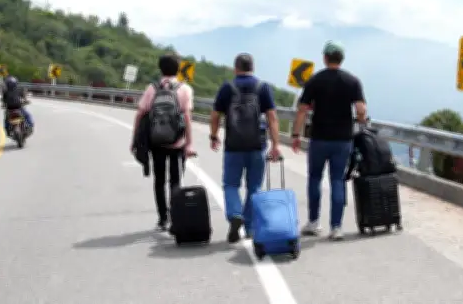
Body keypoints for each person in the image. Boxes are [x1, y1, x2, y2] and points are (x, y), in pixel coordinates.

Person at [291, 41, 367, 240]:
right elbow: (361, 110)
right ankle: (336, 227)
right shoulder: (353, 81)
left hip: (319, 138)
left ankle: (313, 222)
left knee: (314, 179)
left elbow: (302, 110)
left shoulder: (315, 80)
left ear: (325, 58)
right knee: (337, 180)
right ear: (342, 59)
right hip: (343, 140)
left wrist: (296, 135)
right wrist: (360, 122)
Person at [210, 53, 281, 243]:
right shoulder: (262, 87)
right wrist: (275, 145)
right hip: (257, 145)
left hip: (233, 145)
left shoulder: (227, 87)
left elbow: (215, 115)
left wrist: (214, 136)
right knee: (254, 187)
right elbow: (272, 118)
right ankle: (249, 227)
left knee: (230, 184)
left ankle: (235, 214)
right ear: (253, 67)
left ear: (236, 68)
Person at [132, 53, 196, 232]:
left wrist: (135, 140)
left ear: (160, 69)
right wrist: (189, 144)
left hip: (156, 142)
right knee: (175, 181)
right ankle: (175, 217)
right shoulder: (184, 89)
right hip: (177, 143)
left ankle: (163, 219)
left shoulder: (152, 88)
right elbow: (187, 118)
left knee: (159, 180)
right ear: (178, 69)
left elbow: (140, 114)